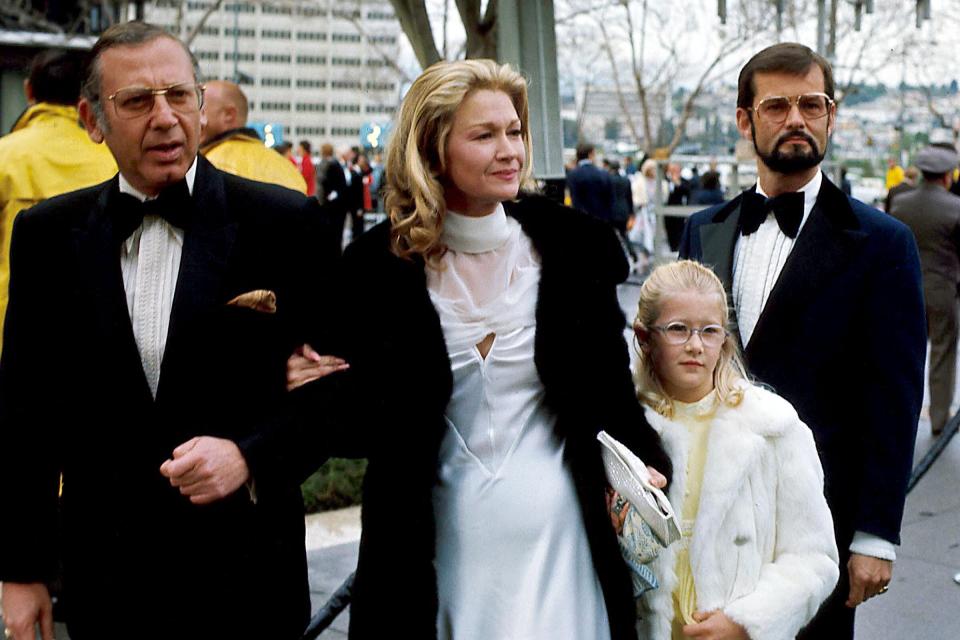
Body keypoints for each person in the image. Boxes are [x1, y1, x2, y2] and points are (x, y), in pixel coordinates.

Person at [287, 58, 671, 640]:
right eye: (484, 135)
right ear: (433, 149)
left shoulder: (576, 251)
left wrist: (646, 464)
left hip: (560, 539)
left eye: (514, 130)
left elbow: (610, 397)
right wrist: (308, 382)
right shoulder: (372, 270)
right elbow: (353, 420)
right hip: (431, 546)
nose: (510, 149)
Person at [0, 22, 335, 640]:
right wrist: (22, 573)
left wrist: (248, 456)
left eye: (179, 96)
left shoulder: (285, 224)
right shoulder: (48, 235)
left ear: (204, 107)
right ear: (92, 119)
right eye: (136, 101)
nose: (165, 118)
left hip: (247, 577)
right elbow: (26, 417)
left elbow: (336, 394)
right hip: (106, 583)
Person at [679, 42, 926, 639]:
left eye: (812, 104)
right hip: (707, 514)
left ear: (831, 116)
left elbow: (893, 401)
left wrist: (874, 536)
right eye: (777, 105)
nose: (796, 119)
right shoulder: (703, 230)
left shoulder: (882, 243)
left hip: (815, 520)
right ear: (745, 120)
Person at [628, 260, 838, 640]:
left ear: (724, 338)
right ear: (644, 336)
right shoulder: (623, 424)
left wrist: (747, 622)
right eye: (678, 329)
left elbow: (814, 557)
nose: (695, 345)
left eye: (709, 331)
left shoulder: (772, 426)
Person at [0, 48, 117, 354]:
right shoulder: (115, 161)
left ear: (29, 91)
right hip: (95, 332)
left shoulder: (5, 156)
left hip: (10, 329)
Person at [889, 145, 960, 436]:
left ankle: (902, 417)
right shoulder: (955, 208)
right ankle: (940, 419)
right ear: (946, 176)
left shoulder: (900, 204)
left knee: (905, 354)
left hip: (905, 289)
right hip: (943, 289)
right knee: (942, 352)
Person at [199, 79, 306, 193]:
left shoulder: (211, 166)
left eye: (201, 111)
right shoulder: (288, 169)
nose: (196, 119)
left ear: (229, 115)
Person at [567, 142, 614, 222]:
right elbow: (610, 200)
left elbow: (574, 199)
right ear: (590, 154)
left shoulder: (572, 175)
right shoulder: (603, 174)